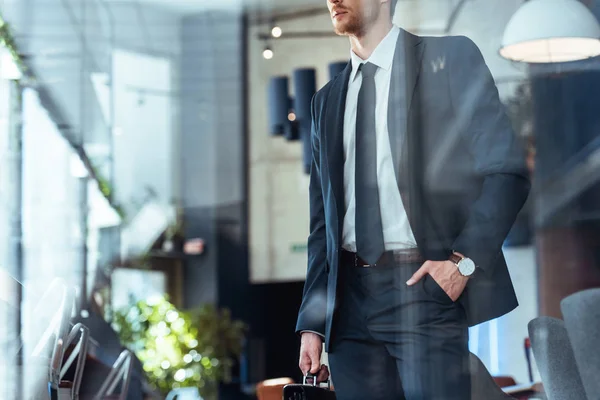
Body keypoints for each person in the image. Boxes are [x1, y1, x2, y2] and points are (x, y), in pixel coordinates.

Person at [296, 0, 531, 399]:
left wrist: (462, 262)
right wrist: (313, 322)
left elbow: (507, 172)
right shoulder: (326, 101)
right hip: (348, 308)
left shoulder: (450, 60)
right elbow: (323, 225)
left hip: (422, 289)